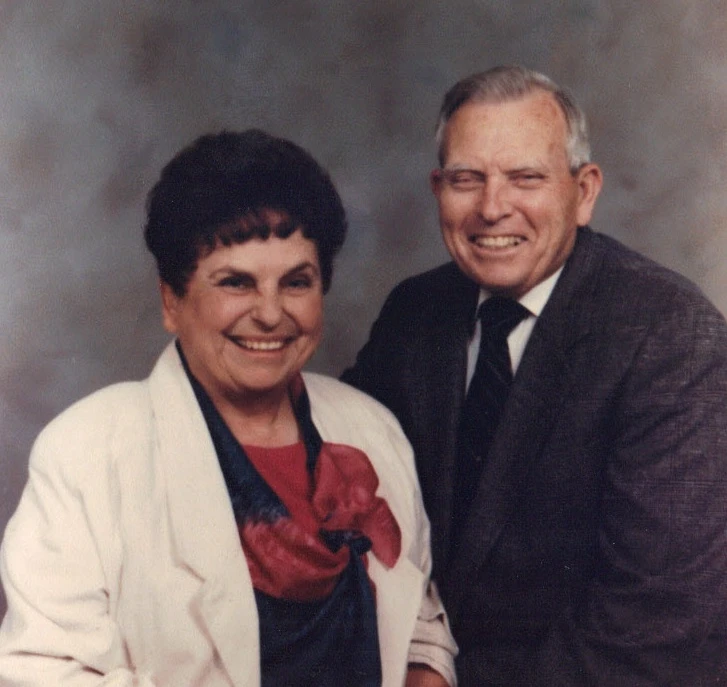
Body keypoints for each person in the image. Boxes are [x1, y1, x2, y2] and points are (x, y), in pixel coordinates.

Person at [0, 130, 457, 687]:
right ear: (173, 300)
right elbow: (44, 672)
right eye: (235, 283)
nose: (270, 314)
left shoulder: (371, 427)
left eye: (297, 282)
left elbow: (420, 625)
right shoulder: (88, 452)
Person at [343, 65, 727, 685]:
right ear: (438, 188)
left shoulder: (672, 339)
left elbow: (656, 631)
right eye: (467, 179)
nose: (493, 208)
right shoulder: (414, 315)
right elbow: (336, 473)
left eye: (526, 178)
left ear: (585, 191)